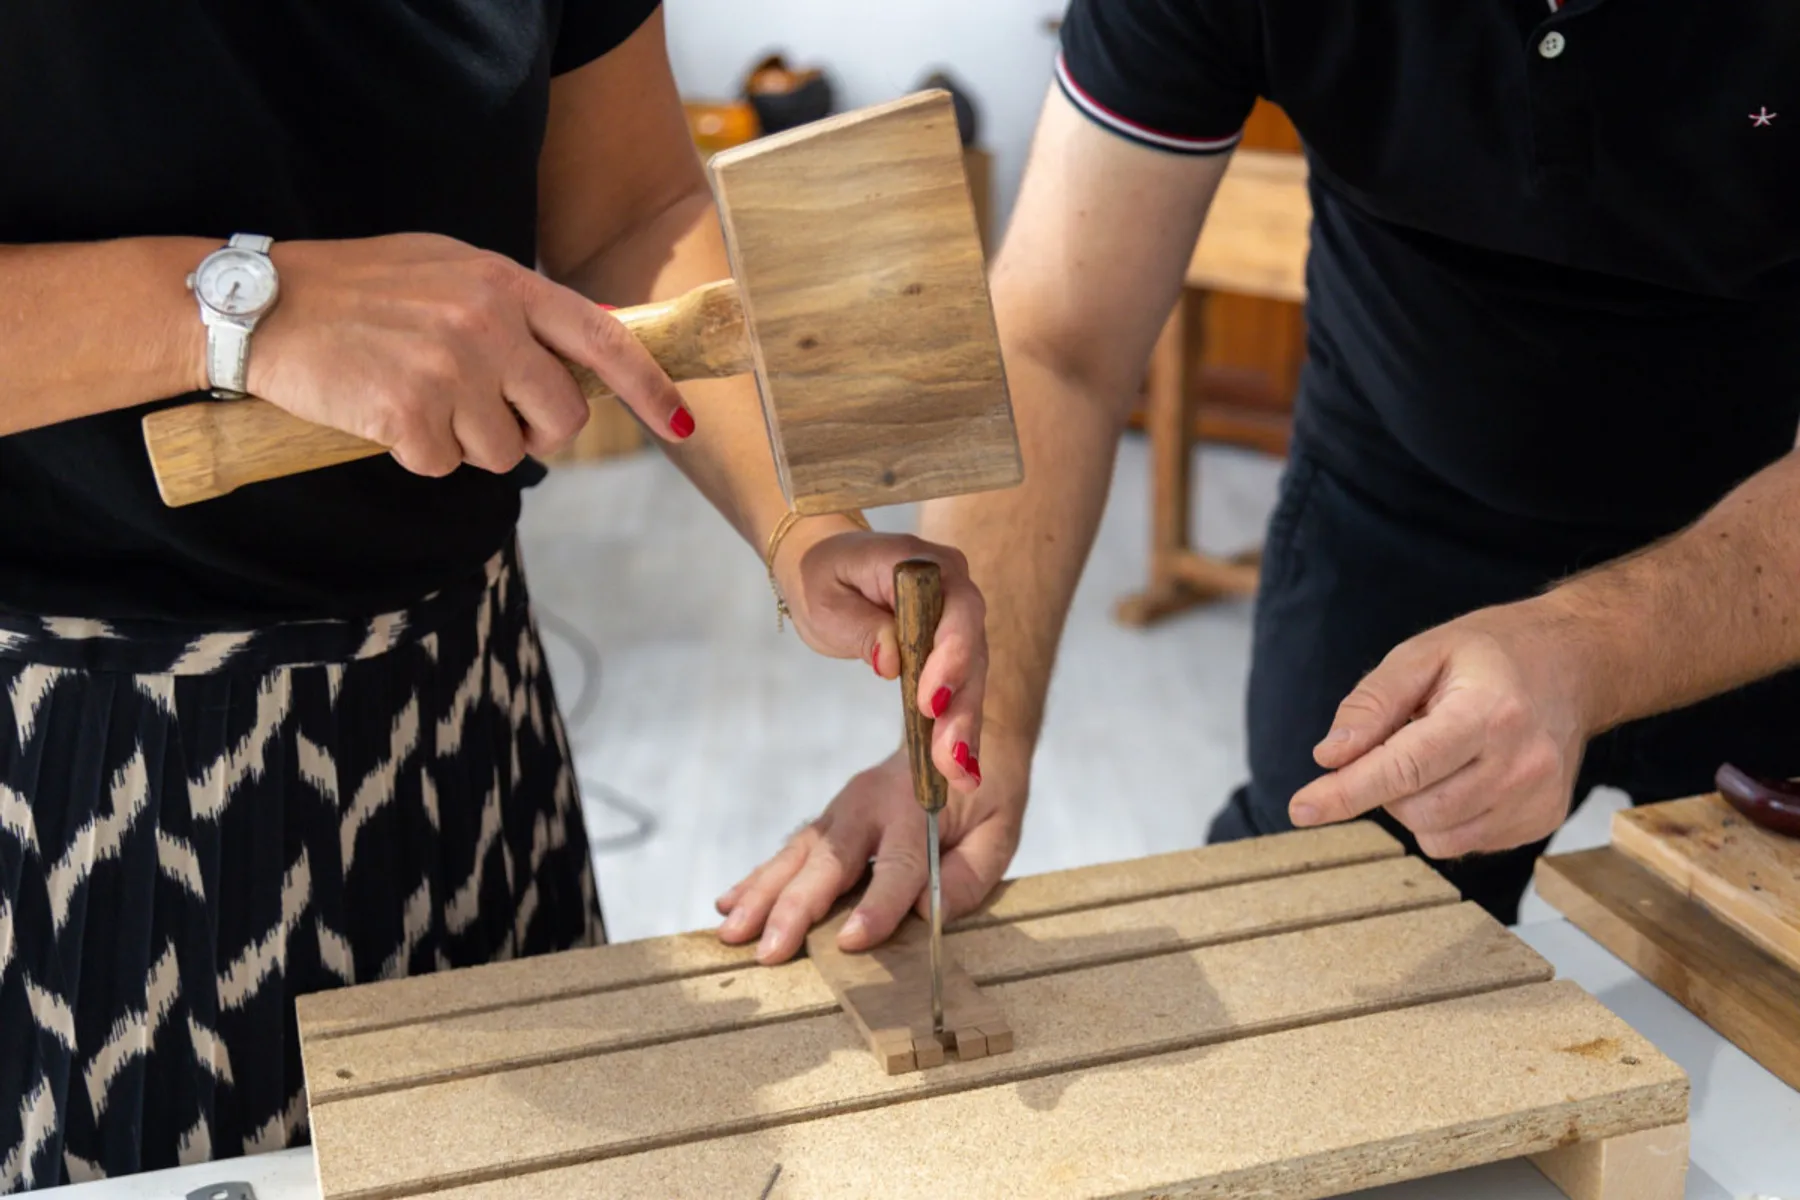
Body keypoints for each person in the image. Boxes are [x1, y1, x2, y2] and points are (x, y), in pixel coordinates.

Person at [0, 3, 989, 1188]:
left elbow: (631, 210)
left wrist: (805, 524)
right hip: (72, 762)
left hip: (466, 712)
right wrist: (243, 306)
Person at [720, 0, 1800, 963]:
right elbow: (1061, 341)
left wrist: (1593, 648)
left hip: (1768, 558)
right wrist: (973, 737)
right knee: (1305, 981)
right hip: (1392, 501)